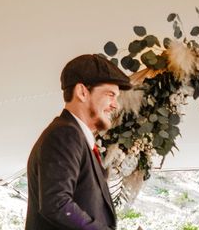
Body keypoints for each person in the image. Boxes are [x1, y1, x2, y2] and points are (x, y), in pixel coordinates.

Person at [26, 54, 131, 230]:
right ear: (82, 92)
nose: (115, 105)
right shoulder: (65, 134)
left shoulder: (75, 136)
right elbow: (57, 204)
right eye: (110, 95)